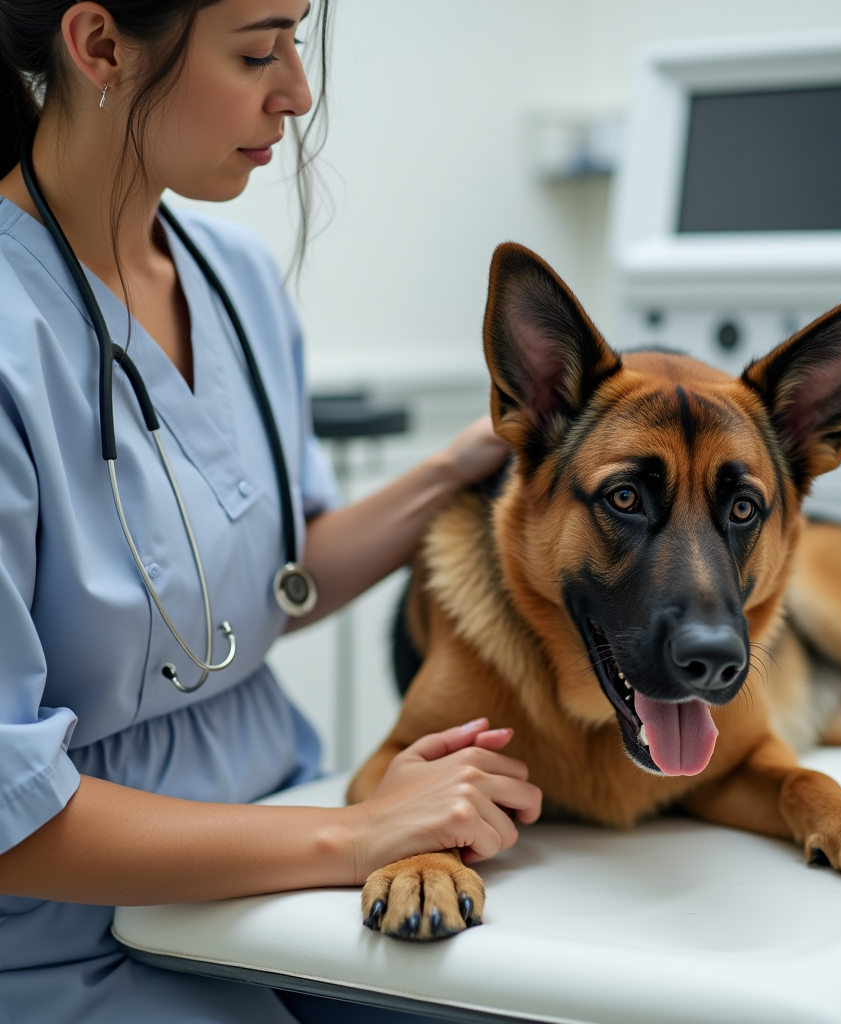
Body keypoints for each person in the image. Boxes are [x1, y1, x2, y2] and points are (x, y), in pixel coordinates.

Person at [0, 2, 542, 1022]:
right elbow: (11, 814)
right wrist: (358, 834)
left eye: (296, 42)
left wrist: (457, 465)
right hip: (80, 925)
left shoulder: (236, 278)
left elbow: (270, 588)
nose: (296, 91)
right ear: (101, 46)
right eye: (257, 51)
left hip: (284, 830)